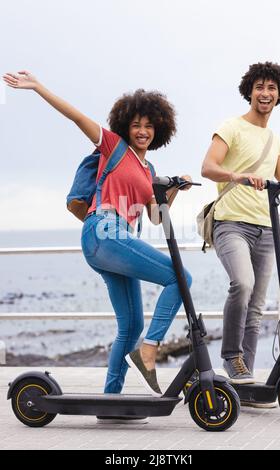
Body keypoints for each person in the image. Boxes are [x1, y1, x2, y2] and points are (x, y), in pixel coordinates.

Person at [3, 71, 192, 421]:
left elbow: (154, 217)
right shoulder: (114, 147)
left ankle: (111, 403)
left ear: (159, 130)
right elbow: (76, 117)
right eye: (136, 124)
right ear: (125, 125)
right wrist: (38, 87)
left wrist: (174, 188)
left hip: (117, 241)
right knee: (182, 278)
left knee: (131, 324)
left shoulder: (148, 167)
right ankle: (149, 352)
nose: (142, 131)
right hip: (104, 230)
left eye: (149, 126)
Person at [201, 62, 280, 395]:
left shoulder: (274, 140)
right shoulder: (231, 127)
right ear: (250, 91)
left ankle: (244, 386)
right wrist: (238, 176)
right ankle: (231, 355)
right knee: (242, 284)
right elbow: (208, 167)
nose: (266, 94)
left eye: (272, 88)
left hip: (266, 229)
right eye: (260, 87)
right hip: (232, 224)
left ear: (279, 94)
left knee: (257, 305)